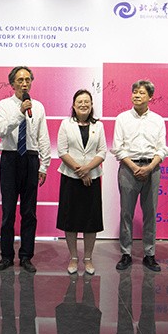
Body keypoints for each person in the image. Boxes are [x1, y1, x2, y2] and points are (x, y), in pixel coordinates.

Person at [0, 66, 51, 273]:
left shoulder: (39, 107)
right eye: (20, 80)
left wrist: (44, 165)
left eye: (28, 79)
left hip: (31, 159)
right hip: (10, 159)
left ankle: (26, 256)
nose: (24, 83)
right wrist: (20, 113)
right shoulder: (4, 105)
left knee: (29, 212)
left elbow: (43, 137)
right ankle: (6, 256)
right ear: (12, 83)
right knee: (8, 211)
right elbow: (0, 131)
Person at [111, 80, 168, 273]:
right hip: (128, 168)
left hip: (152, 168)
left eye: (141, 93)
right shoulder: (122, 118)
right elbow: (118, 147)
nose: (136, 95)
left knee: (150, 212)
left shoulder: (158, 120)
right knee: (126, 212)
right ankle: (126, 253)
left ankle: (149, 254)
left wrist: (150, 167)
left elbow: (162, 148)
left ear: (150, 97)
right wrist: (134, 167)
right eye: (134, 92)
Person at [57, 89, 107, 276]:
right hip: (70, 178)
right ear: (73, 105)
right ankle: (73, 257)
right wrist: (80, 170)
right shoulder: (66, 124)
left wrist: (87, 169)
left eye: (87, 101)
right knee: (70, 220)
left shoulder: (98, 126)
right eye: (80, 102)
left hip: (92, 179)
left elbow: (102, 152)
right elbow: (62, 151)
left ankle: (88, 258)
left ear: (91, 105)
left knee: (90, 220)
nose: (84, 105)